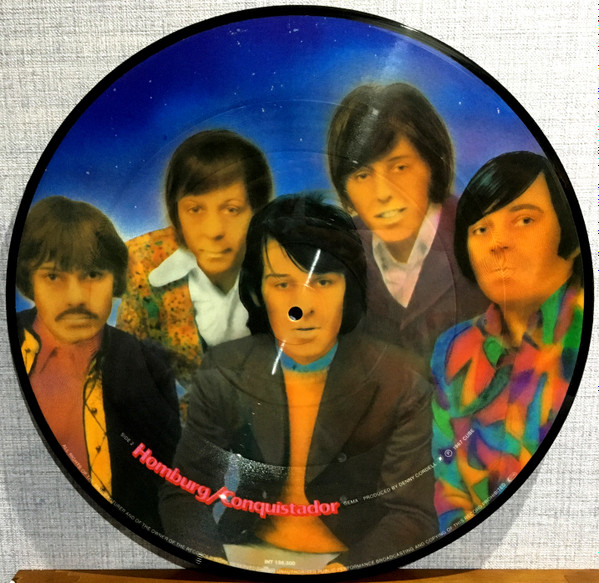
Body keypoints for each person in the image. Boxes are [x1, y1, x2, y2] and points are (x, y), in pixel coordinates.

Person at [159, 194, 437, 573]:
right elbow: (184, 491)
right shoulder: (225, 370)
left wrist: (339, 573)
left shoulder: (400, 381)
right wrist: (213, 565)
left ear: (348, 288)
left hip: (353, 565)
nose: (301, 307)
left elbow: (412, 516)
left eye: (322, 281)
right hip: (242, 557)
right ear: (257, 292)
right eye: (282, 284)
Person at [430, 152, 584, 532]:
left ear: (571, 234)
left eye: (524, 220)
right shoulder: (452, 350)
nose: (497, 242)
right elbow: (449, 486)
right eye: (481, 229)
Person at [16, 196, 181, 531]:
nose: (76, 297)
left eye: (92, 274)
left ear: (115, 280)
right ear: (28, 281)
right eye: (53, 276)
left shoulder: (149, 367)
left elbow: (172, 487)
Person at [327, 82, 487, 369]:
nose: (382, 193)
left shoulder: (484, 236)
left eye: (399, 167)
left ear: (433, 165)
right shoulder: (337, 249)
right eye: (362, 175)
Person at [116, 129, 273, 401]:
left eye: (232, 209)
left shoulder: (288, 260)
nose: (213, 231)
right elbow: (127, 377)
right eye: (195, 210)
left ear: (257, 211)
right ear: (175, 211)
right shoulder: (142, 264)